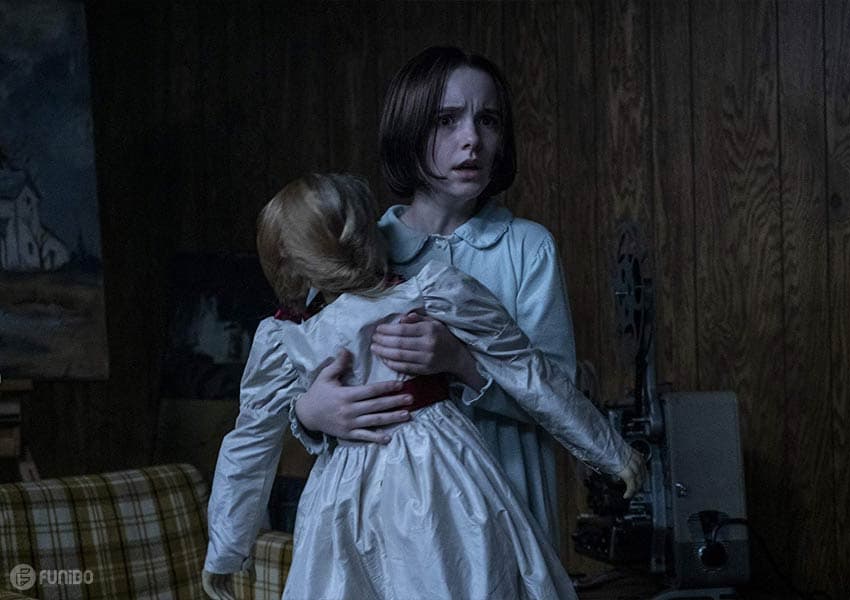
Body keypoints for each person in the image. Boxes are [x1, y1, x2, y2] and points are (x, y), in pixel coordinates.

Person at [202, 173, 645, 599]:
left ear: (293, 262)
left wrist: (226, 549)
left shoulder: (293, 338)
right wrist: (610, 450)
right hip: (440, 472)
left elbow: (251, 443)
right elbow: (526, 369)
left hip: (368, 492)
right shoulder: (429, 292)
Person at [292, 46, 578, 548]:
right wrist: (309, 414)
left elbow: (563, 398)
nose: (472, 139)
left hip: (507, 515)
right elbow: (304, 370)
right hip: (388, 526)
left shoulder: (527, 249)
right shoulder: (355, 247)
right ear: (408, 130)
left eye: (488, 120)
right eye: (447, 120)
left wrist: (460, 363)